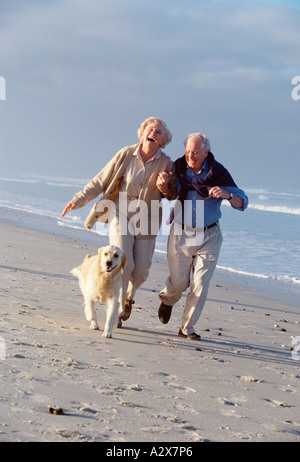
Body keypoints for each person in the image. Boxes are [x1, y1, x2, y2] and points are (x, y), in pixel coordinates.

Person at [62, 117, 176, 327]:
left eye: (158, 132)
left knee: (141, 271)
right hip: (120, 212)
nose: (153, 133)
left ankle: (128, 298)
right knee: (124, 263)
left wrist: (165, 188)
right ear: (142, 134)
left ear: (163, 140)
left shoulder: (167, 163)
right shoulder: (126, 154)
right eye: (150, 129)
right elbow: (101, 179)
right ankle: (118, 310)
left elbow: (172, 194)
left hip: (148, 217)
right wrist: (77, 200)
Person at [158, 132, 248, 340]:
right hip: (181, 233)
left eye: (196, 152)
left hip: (210, 235)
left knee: (200, 283)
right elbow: (168, 194)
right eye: (188, 151)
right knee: (179, 283)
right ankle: (168, 299)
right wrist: (162, 186)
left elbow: (243, 202)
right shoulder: (178, 168)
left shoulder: (218, 172)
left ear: (206, 152)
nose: (191, 156)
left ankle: (186, 328)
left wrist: (228, 195)